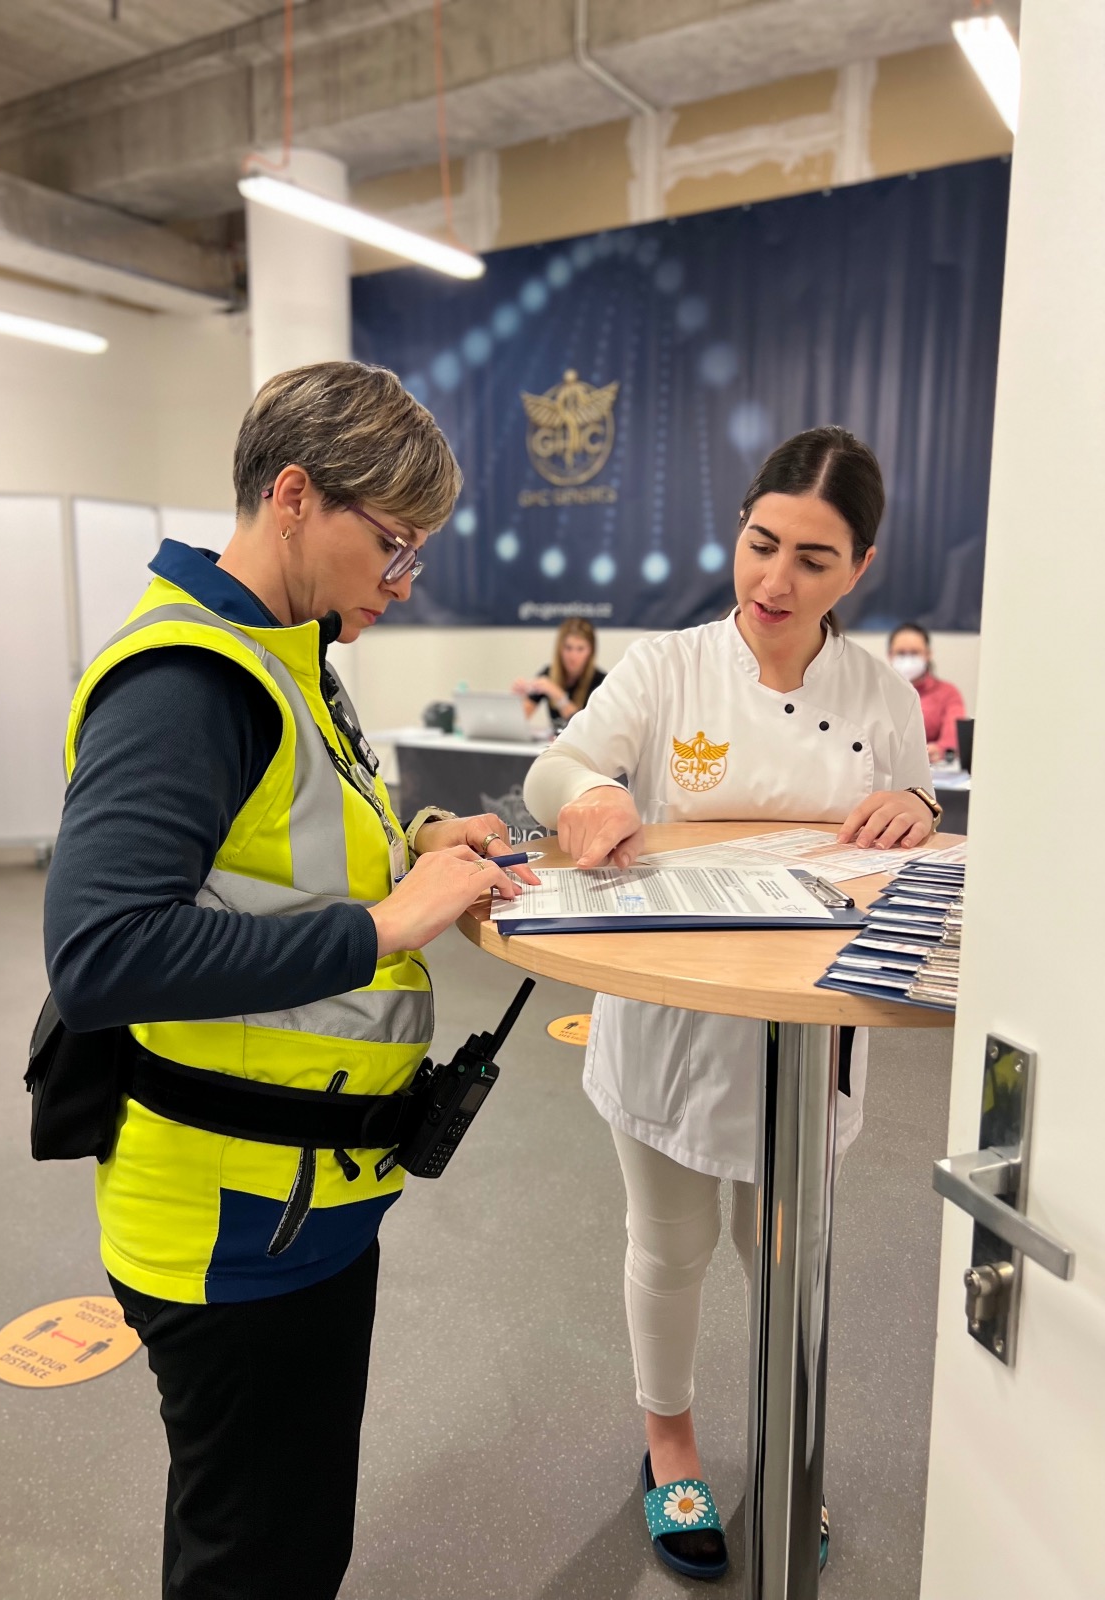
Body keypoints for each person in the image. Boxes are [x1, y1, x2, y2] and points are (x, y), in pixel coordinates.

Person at [43, 360, 539, 1600]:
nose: (403, 581)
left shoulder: (290, 651)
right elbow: (104, 951)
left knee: (291, 1537)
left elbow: (275, 861)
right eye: (393, 543)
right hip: (231, 1219)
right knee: (256, 1560)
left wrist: (420, 843)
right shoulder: (188, 682)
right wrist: (384, 925)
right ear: (296, 495)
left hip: (304, 1195)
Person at [523, 426, 941, 1582]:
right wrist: (591, 792)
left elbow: (915, 802)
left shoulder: (880, 694)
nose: (775, 580)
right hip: (672, 1026)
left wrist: (913, 805)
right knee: (672, 1245)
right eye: (762, 543)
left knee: (786, 1256)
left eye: (814, 558)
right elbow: (552, 769)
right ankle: (670, 1444)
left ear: (860, 566)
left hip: (810, 1034)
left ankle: (790, 1451)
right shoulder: (668, 668)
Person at [887, 621, 967, 763]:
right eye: (901, 653)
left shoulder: (948, 693)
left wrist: (939, 750)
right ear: (890, 655)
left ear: (928, 654)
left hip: (930, 769)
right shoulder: (877, 692)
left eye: (914, 653)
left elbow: (952, 738)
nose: (907, 660)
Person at [511, 617, 606, 729]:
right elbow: (519, 720)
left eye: (580, 649)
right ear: (560, 648)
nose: (573, 656)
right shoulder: (548, 674)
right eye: (568, 648)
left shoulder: (601, 682)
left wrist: (559, 697)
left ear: (591, 650)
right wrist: (518, 699)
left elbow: (586, 728)